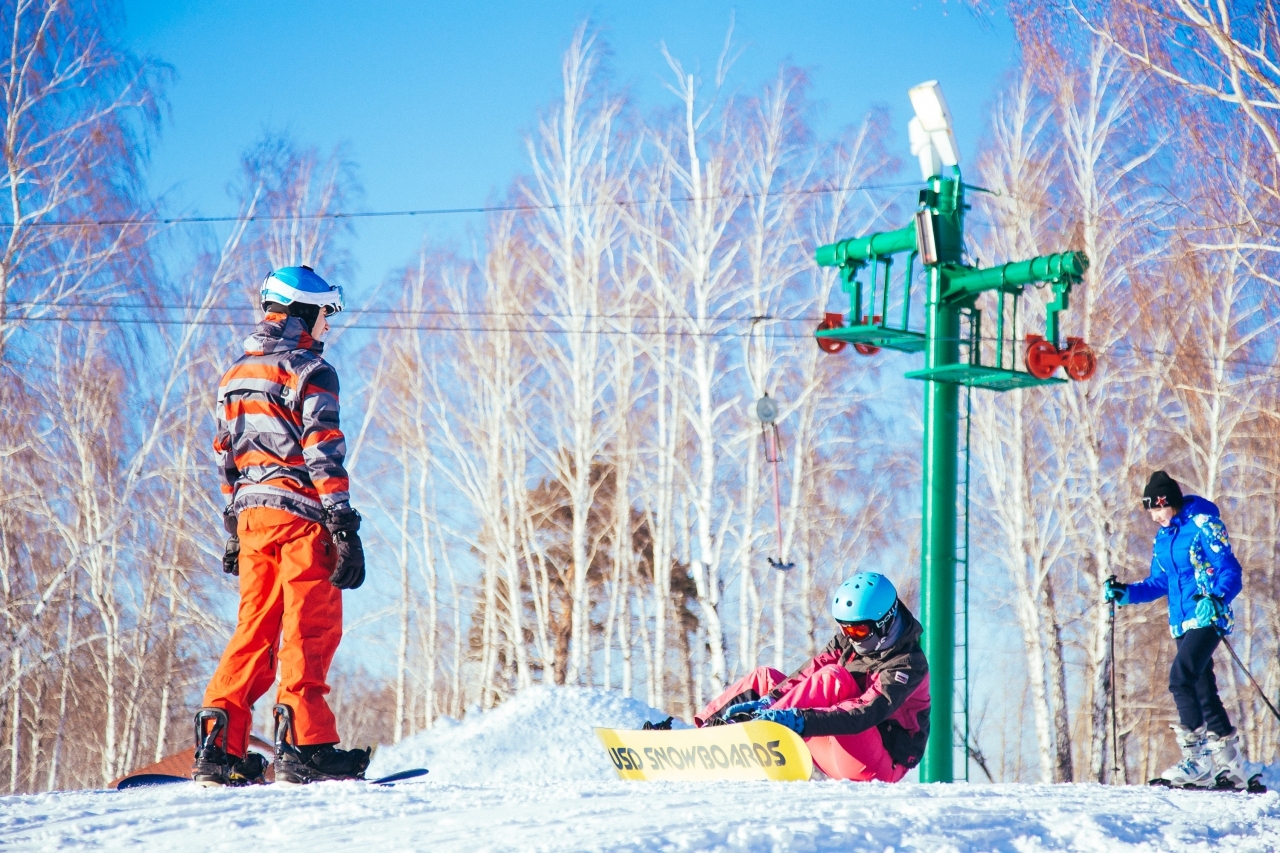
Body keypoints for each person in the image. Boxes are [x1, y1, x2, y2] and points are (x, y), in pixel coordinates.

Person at [192, 265, 371, 786]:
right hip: (300, 519)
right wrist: (342, 520)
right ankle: (305, 746)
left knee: (254, 630)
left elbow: (228, 458)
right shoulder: (309, 371)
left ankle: (218, 747)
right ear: (302, 314)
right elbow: (323, 449)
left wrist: (233, 526)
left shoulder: (235, 375)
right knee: (309, 628)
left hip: (251, 520)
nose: (328, 328)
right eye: (324, 316)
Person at [694, 572, 929, 782]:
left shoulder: (907, 663)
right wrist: (770, 700)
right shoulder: (848, 643)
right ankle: (699, 731)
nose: (852, 638)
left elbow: (864, 713)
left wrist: (796, 719)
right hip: (836, 744)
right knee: (765, 677)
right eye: (845, 629)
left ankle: (756, 734)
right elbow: (808, 674)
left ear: (885, 622)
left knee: (835, 678)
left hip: (878, 764)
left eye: (859, 630)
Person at [1105, 470, 1246, 788]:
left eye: (1156, 509)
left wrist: (1217, 597)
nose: (1153, 517)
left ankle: (1197, 759)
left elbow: (1230, 569)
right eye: (1150, 511)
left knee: (1180, 677)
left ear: (1167, 501)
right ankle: (1231, 763)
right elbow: (1159, 582)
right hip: (1181, 622)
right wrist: (1125, 593)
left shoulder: (1203, 524)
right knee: (1202, 689)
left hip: (1207, 614)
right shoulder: (1164, 538)